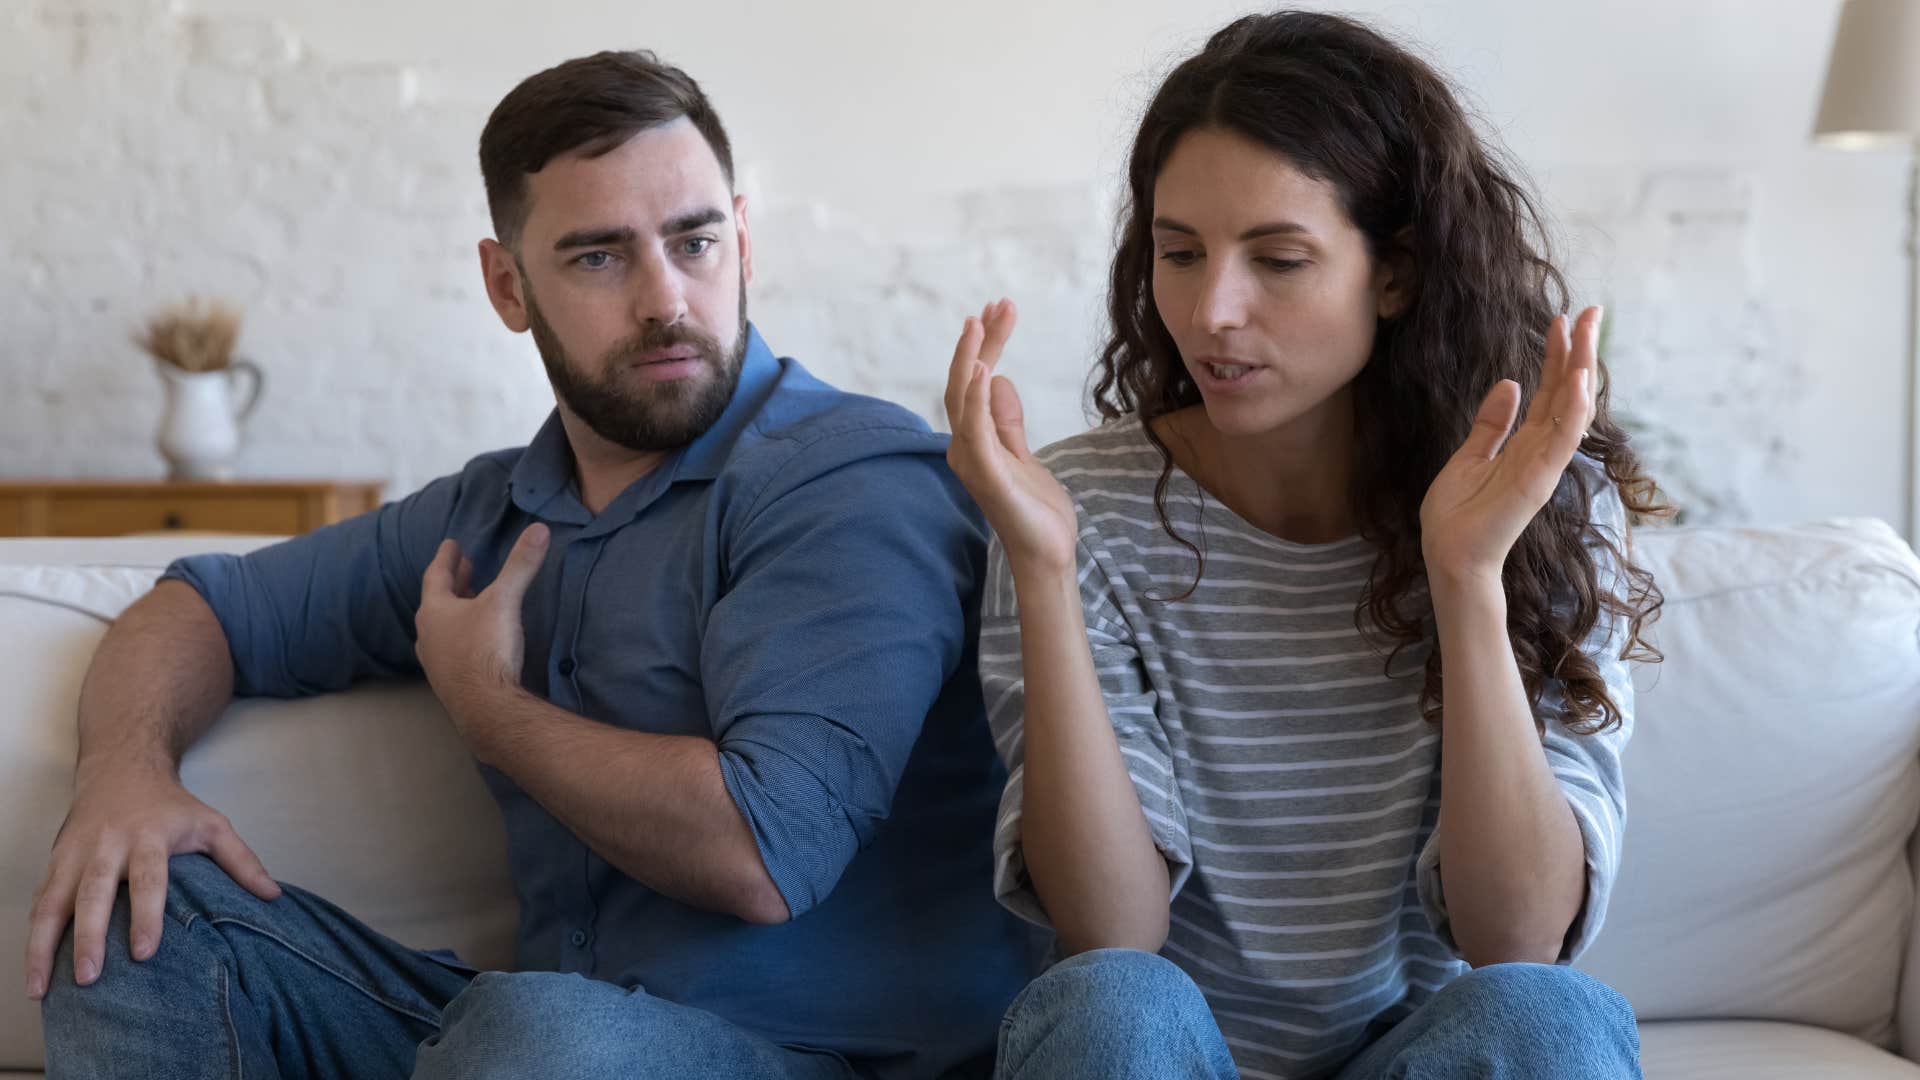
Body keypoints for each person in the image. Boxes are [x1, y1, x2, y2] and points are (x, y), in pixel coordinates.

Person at [29, 49, 1030, 1080]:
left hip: (823, 1061)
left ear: (743, 243)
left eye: (695, 242)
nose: (665, 299)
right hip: (536, 1048)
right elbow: (200, 607)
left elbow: (765, 853)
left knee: (538, 1035)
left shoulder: (849, 480)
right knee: (139, 900)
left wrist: (491, 709)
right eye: (600, 257)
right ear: (507, 285)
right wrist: (123, 776)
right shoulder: (488, 512)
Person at [942, 12, 1664, 1079]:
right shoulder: (1068, 508)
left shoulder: (1540, 500)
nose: (1211, 310)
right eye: (1178, 253)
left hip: (1411, 1056)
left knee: (1548, 1018)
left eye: (1277, 259)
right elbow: (1108, 935)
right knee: (1111, 1002)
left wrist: (1465, 577)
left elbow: (1517, 941)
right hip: (1169, 1054)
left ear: (1396, 273)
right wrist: (1044, 571)